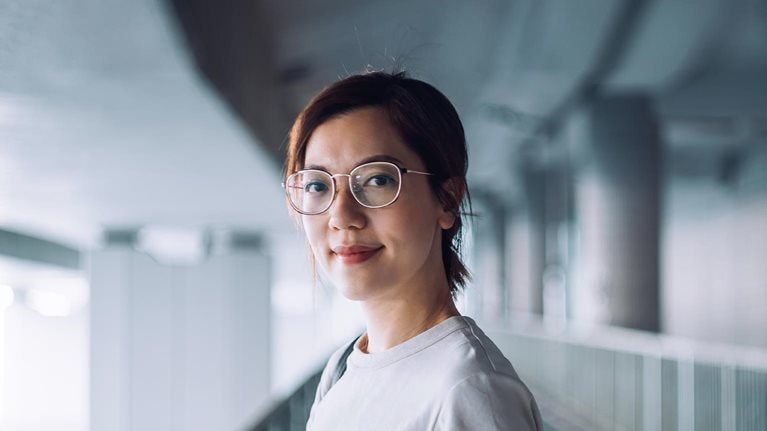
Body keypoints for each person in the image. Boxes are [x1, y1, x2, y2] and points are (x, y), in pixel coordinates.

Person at [283, 71, 542, 430]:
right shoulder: (342, 369)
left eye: (377, 179)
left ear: (447, 200)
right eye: (316, 184)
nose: (341, 216)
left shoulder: (470, 391)